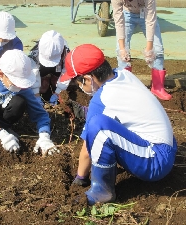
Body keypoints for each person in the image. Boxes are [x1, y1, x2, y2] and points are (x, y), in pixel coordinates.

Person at [60, 44, 177, 205]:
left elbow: (88, 148)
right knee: (101, 123)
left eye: (78, 83)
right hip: (168, 145)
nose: (79, 88)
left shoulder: (100, 100)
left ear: (87, 79)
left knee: (98, 126)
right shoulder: (123, 74)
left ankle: (102, 192)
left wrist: (80, 178)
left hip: (155, 162)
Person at [0, 49, 59, 156]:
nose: (20, 86)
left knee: (19, 102)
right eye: (16, 82)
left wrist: (44, 136)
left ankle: (3, 125)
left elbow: (40, 114)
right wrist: (1, 134)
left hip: (3, 115)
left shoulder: (23, 88)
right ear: (1, 74)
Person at [111, 0, 172, 100]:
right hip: (127, 15)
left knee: (158, 49)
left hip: (146, 14)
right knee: (120, 49)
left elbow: (150, 20)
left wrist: (149, 48)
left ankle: (157, 87)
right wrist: (122, 49)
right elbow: (119, 21)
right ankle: (126, 86)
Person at [28, 30, 70, 106]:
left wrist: (58, 93)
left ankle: (54, 86)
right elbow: (33, 72)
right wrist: (36, 94)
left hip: (59, 67)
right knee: (42, 85)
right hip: (41, 68)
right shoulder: (34, 53)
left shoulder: (66, 53)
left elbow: (66, 72)